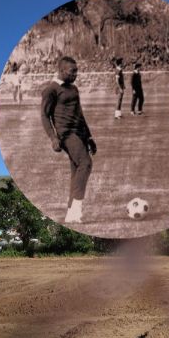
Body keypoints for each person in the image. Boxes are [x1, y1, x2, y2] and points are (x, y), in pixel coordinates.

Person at [41, 56, 97, 224]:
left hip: (79, 133)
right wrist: (53, 137)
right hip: (66, 135)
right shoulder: (51, 89)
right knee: (85, 163)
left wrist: (89, 137)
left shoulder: (73, 89)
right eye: (72, 72)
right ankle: (77, 211)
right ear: (61, 70)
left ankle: (71, 213)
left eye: (76, 72)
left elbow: (80, 114)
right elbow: (44, 116)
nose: (75, 75)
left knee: (77, 169)